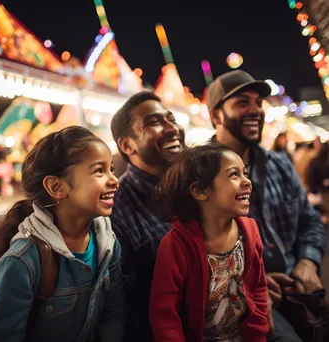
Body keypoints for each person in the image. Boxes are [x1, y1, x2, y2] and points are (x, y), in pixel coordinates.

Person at [206, 69, 327, 341]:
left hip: (297, 285)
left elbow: (310, 222)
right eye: (241, 103)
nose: (255, 110)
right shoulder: (202, 175)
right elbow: (195, 251)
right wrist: (249, 280)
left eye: (258, 103)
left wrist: (308, 261)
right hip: (244, 301)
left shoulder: (280, 165)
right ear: (216, 116)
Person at [0, 126, 125, 342]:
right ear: (57, 187)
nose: (114, 180)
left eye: (112, 169)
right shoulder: (23, 261)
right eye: (99, 170)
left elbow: (113, 313)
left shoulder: (107, 242)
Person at [150, 143, 269, 342]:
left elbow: (257, 288)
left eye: (245, 173)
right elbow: (164, 316)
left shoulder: (250, 232)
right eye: (234, 175)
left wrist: (258, 336)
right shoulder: (175, 245)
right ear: (200, 191)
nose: (247, 181)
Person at [110, 90, 185, 341]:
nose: (172, 128)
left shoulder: (200, 188)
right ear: (127, 145)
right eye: (154, 123)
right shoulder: (114, 212)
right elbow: (126, 308)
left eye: (171, 119)